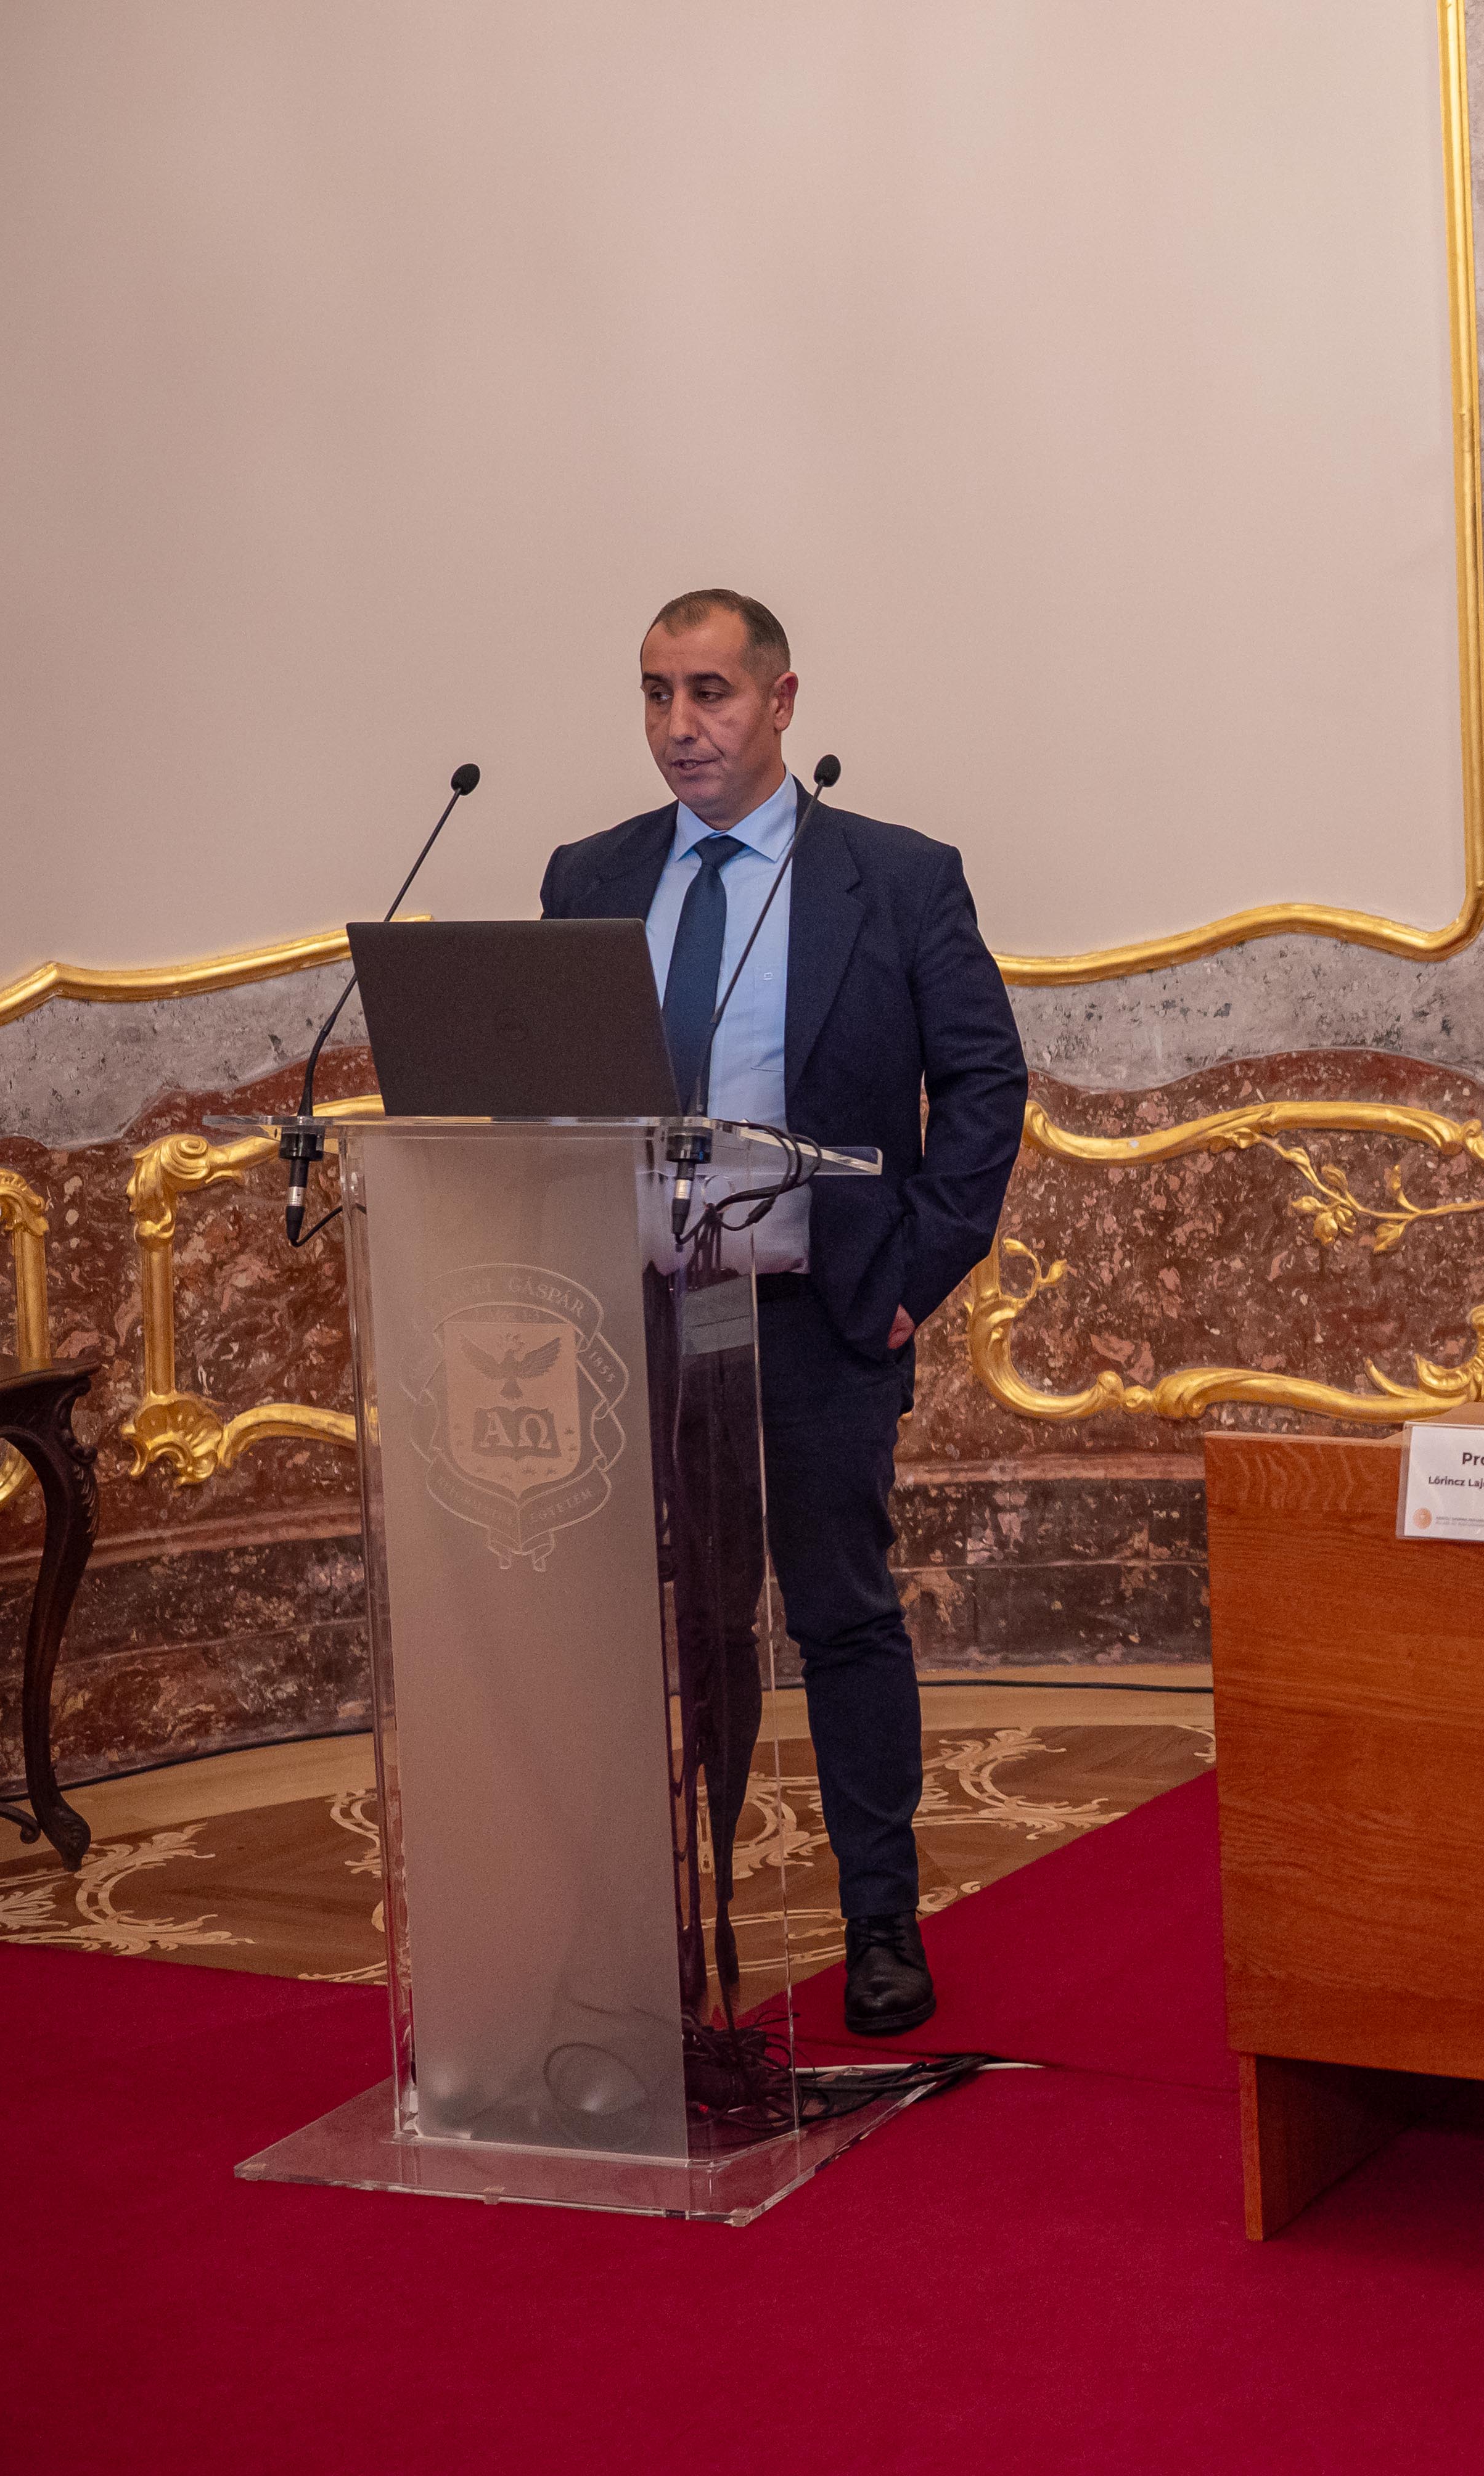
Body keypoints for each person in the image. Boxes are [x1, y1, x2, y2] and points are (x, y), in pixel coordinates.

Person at [539, 589, 1027, 2039]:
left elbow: (984, 1084)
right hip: (640, 1320)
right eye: (655, 693)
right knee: (675, 1632)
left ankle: (879, 1920)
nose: (678, 726)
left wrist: (910, 1279)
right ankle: (674, 1917)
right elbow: (550, 1097)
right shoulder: (589, 876)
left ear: (781, 700)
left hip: (818, 1315)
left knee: (841, 1616)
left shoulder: (898, 876)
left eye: (710, 692)